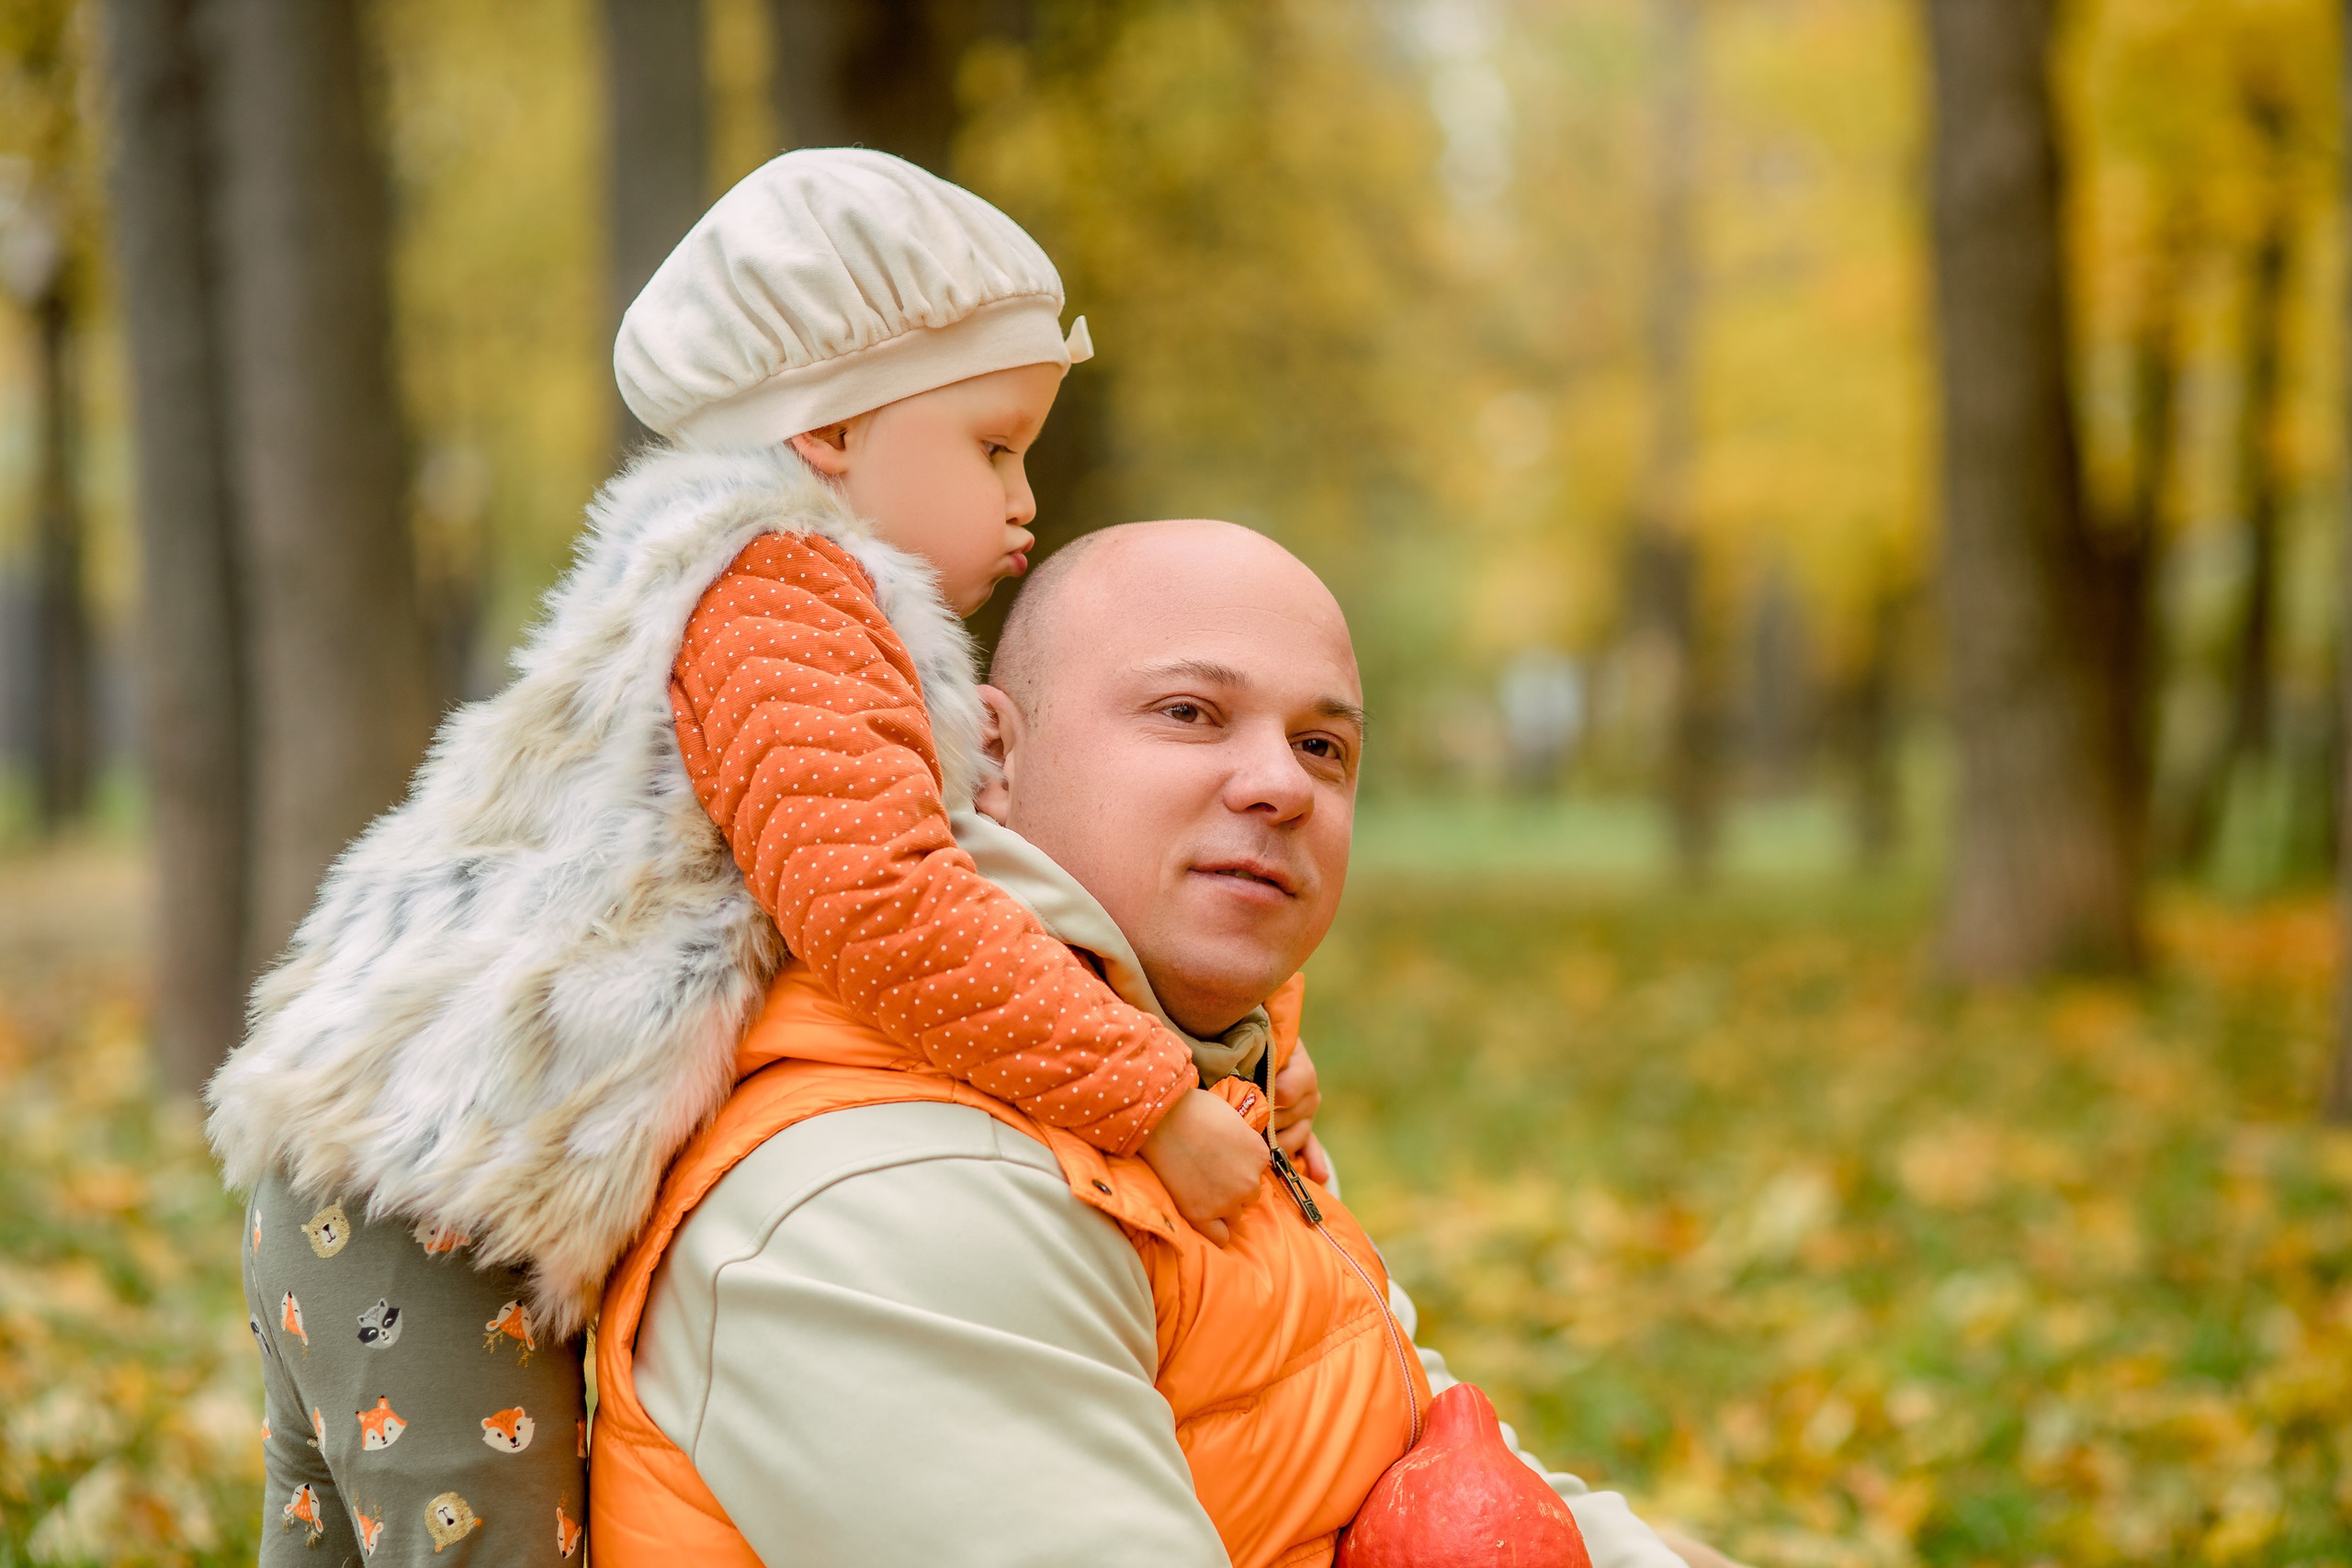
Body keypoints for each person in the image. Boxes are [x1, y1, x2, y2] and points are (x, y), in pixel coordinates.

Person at [208, 150, 1264, 1563]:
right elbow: (886, 905)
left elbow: (936, 870)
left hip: (374, 1163)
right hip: (432, 1184)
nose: (1026, 498)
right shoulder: (780, 600)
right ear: (830, 431)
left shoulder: (788, 610)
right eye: (995, 445)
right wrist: (1149, 1099)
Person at [589, 520, 1712, 1568]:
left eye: (1322, 746)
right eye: (1188, 713)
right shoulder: (893, 1206)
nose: (1280, 785)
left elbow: (1409, 1450)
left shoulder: (1201, 1094)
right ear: (991, 756)